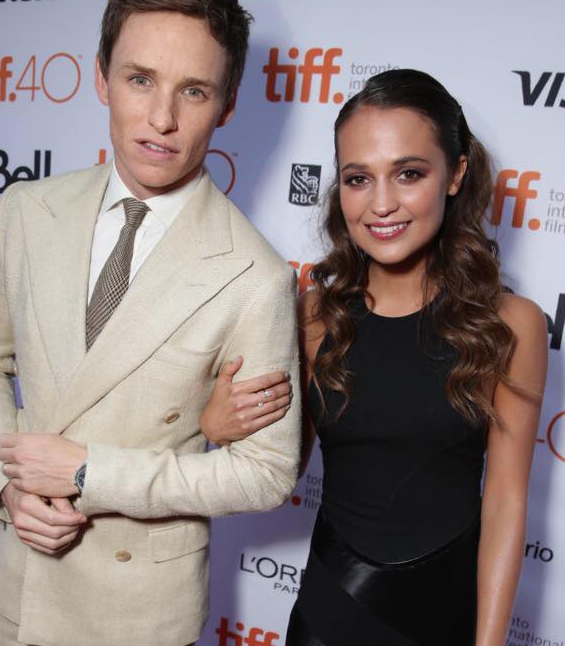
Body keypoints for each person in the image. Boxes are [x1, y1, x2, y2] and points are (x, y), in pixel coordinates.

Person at [0, 0, 299, 646]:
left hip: (139, 615)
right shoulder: (26, 211)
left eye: (194, 91)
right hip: (20, 588)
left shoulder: (254, 275)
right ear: (101, 77)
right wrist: (8, 482)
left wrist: (91, 473)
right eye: (141, 79)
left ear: (228, 104)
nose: (162, 118)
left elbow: (266, 472)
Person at [203, 69, 547, 645]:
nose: (382, 204)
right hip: (330, 611)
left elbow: (507, 503)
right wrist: (218, 429)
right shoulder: (316, 315)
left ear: (456, 174)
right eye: (358, 179)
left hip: (445, 617)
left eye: (409, 173)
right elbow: (278, 468)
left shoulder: (511, 325)